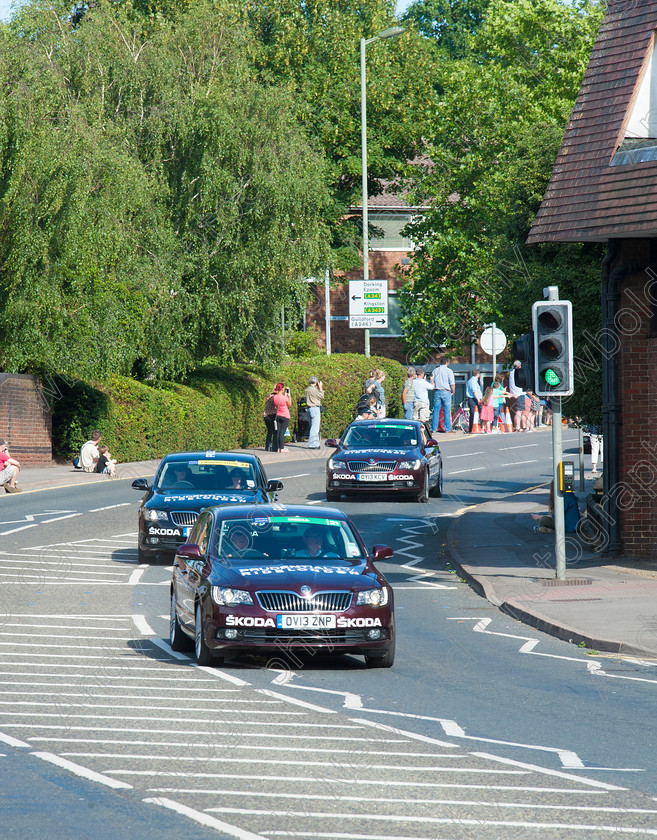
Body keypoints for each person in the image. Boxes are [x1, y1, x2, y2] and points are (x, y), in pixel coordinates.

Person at [432, 358, 456, 434]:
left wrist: (434, 391)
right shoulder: (449, 371)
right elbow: (452, 383)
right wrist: (453, 391)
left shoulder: (435, 370)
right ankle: (447, 429)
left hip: (437, 391)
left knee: (436, 410)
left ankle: (434, 428)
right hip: (446, 391)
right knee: (447, 410)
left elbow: (432, 382)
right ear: (446, 362)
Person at [304, 376, 324, 449]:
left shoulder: (307, 390)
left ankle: (315, 443)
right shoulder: (314, 390)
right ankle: (313, 444)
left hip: (309, 408)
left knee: (312, 426)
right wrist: (321, 388)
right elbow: (321, 396)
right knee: (315, 428)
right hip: (315, 408)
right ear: (316, 383)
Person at [272, 382, 292, 454]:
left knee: (278, 432)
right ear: (282, 389)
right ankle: (282, 448)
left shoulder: (274, 397)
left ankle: (278, 448)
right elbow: (289, 405)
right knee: (282, 433)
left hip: (278, 415)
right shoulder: (284, 398)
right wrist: (289, 396)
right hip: (285, 416)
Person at [508, 360, 527, 432]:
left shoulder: (512, 372)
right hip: (520, 393)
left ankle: (521, 427)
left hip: (515, 393)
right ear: (519, 366)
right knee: (519, 411)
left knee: (520, 411)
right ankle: (518, 427)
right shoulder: (519, 373)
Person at [465, 369, 482, 433]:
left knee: (474, 414)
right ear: (478, 374)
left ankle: (474, 427)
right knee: (474, 414)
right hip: (473, 399)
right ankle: (472, 428)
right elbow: (475, 392)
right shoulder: (473, 381)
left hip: (473, 399)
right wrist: (479, 400)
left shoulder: (471, 380)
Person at [263, 386, 278, 452]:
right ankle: (274, 446)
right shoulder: (275, 397)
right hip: (272, 415)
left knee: (269, 431)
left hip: (266, 415)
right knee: (275, 432)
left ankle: (267, 446)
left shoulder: (269, 396)